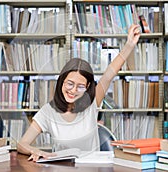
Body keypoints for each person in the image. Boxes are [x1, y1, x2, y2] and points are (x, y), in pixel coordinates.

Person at [17, 24, 141, 162]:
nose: (73, 91)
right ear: (61, 81)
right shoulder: (48, 111)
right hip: (61, 168)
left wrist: (129, 45)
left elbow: (109, 73)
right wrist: (34, 150)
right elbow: (22, 144)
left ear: (87, 87)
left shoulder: (92, 102)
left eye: (80, 86)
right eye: (70, 84)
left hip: (93, 168)